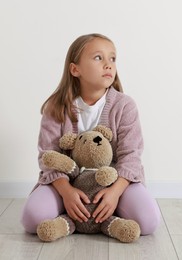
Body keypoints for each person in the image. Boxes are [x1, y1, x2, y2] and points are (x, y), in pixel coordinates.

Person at [21, 33, 160, 239]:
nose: (108, 65)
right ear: (75, 69)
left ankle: (106, 210)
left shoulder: (124, 105)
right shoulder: (56, 107)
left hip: (114, 182)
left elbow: (131, 156)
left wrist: (115, 192)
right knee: (32, 219)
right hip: (66, 182)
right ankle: (74, 214)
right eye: (98, 58)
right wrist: (66, 192)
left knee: (148, 223)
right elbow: (48, 156)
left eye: (112, 58)